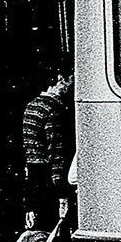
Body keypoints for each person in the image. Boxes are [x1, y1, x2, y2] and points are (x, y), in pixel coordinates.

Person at [21, 72, 73, 231]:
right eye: (70, 80)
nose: (71, 86)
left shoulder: (32, 105)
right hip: (49, 182)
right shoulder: (53, 110)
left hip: (34, 178)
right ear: (60, 79)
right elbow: (56, 154)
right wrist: (62, 196)